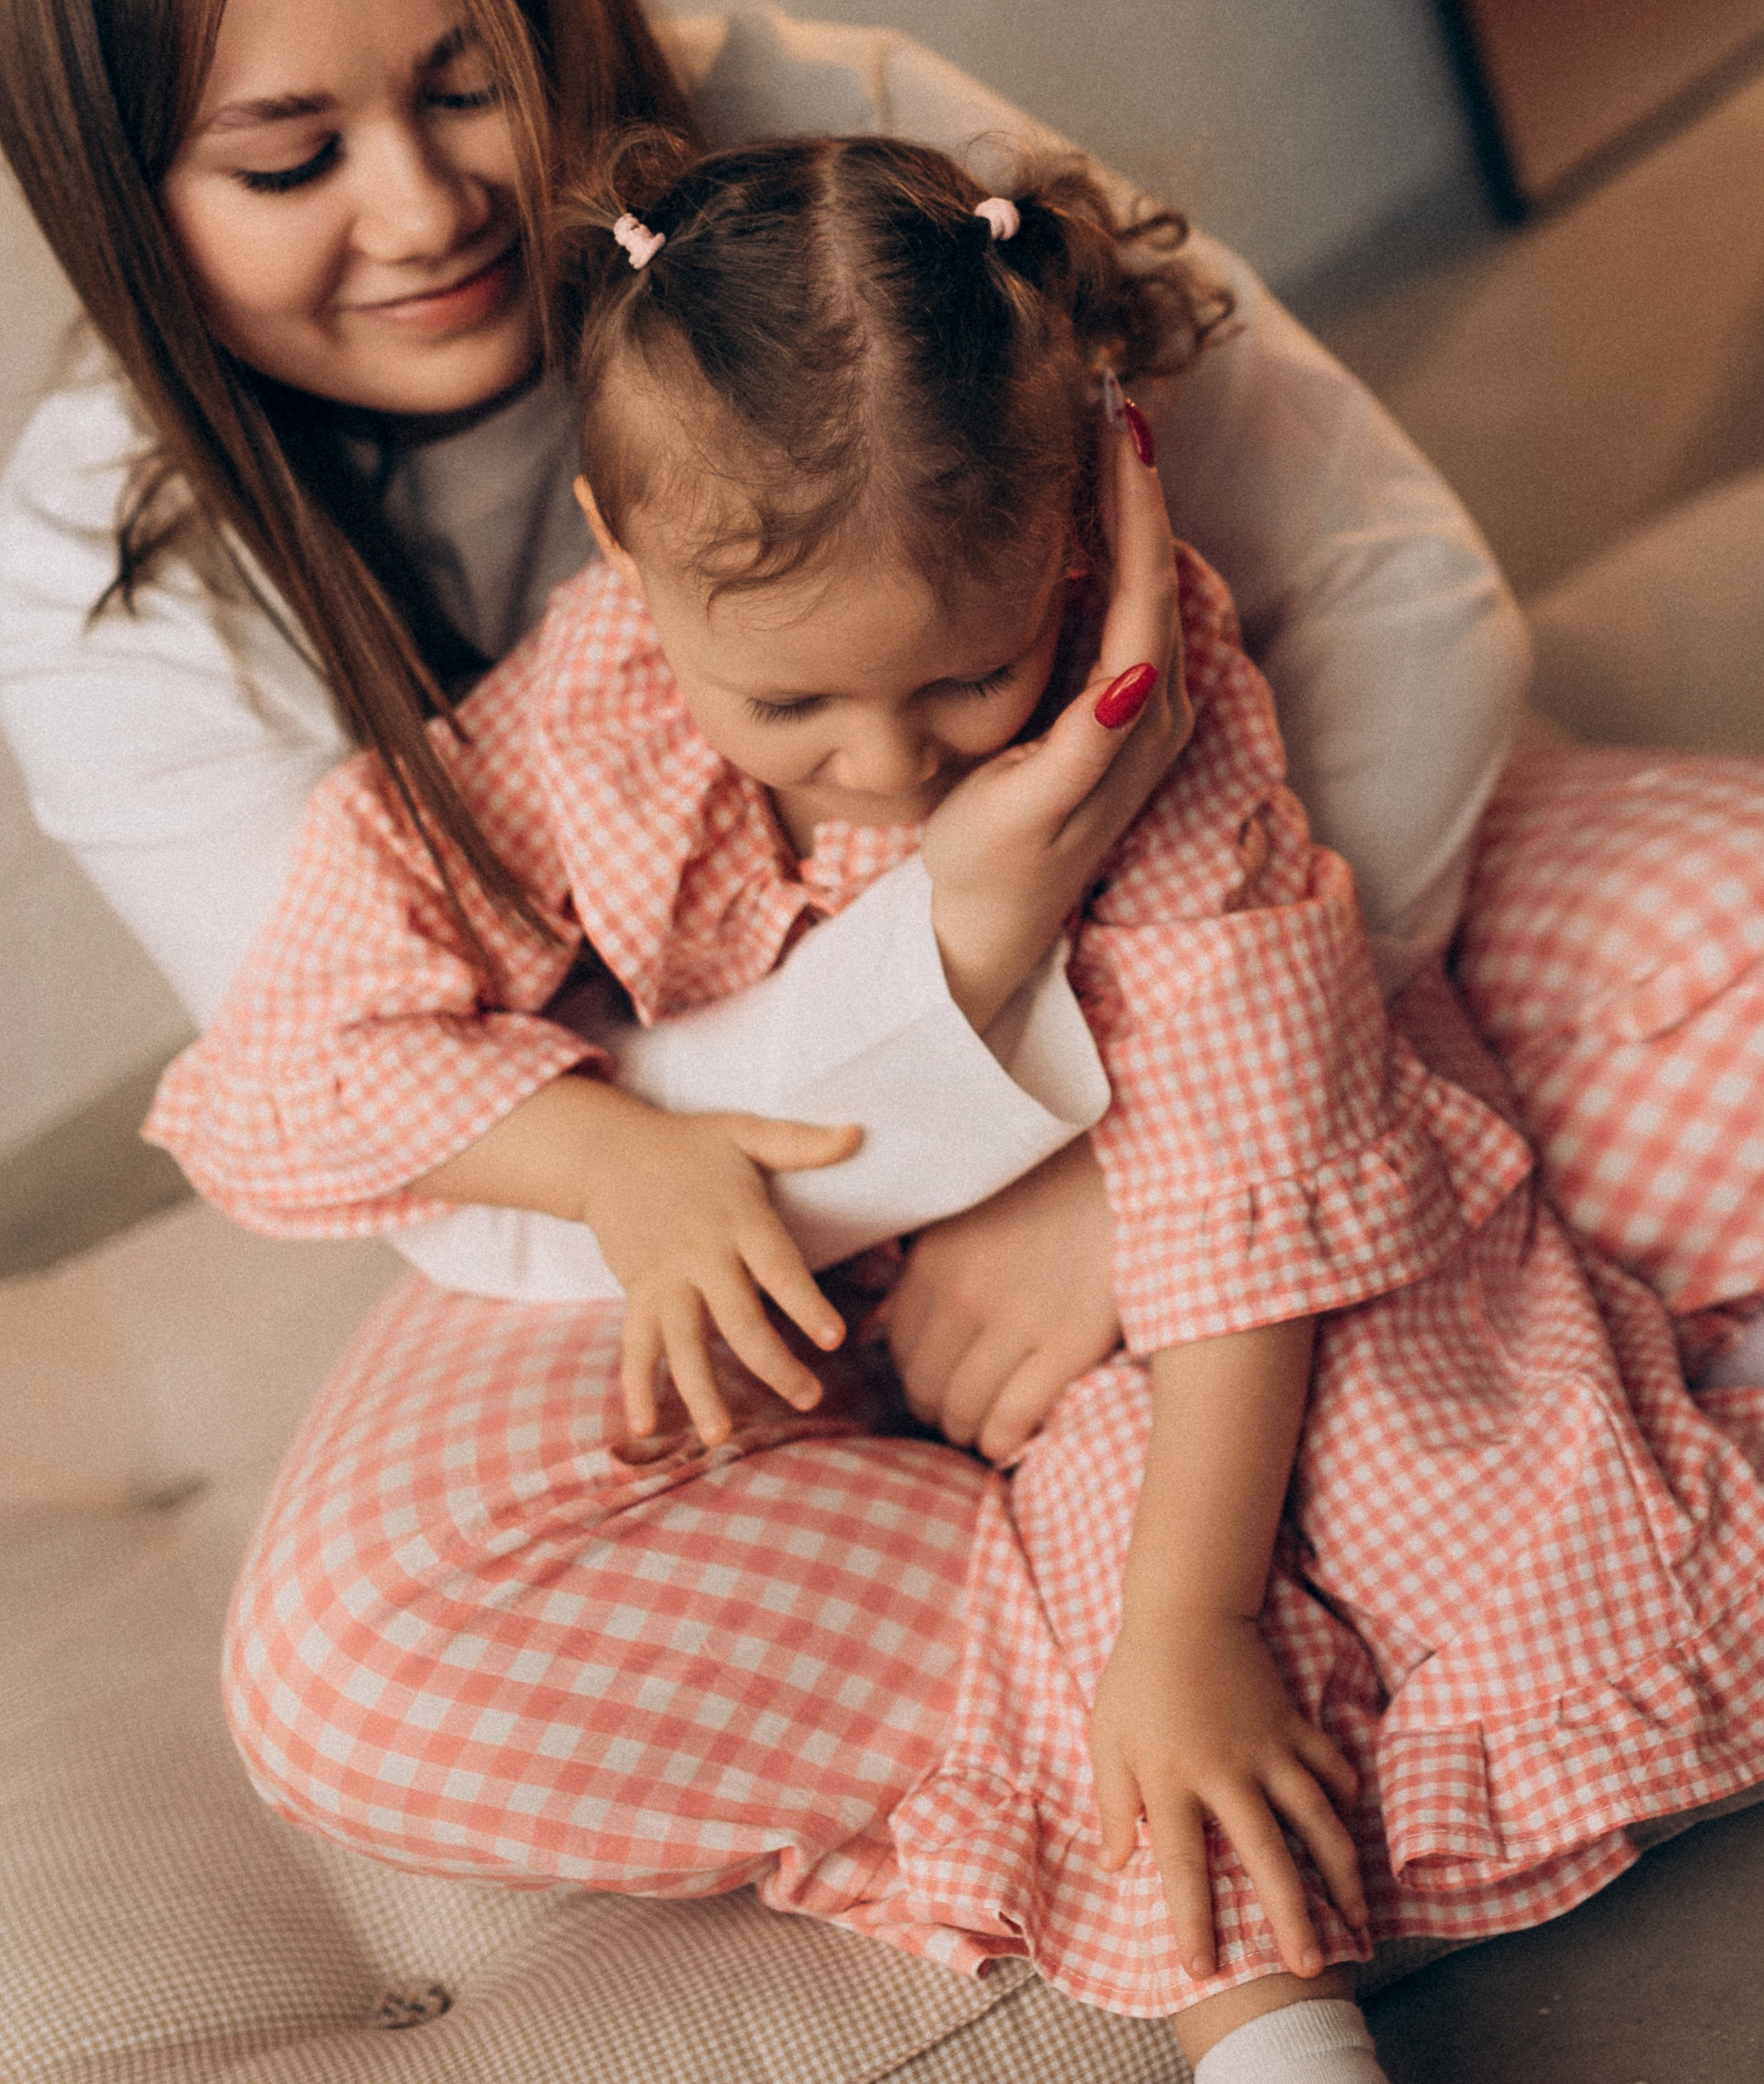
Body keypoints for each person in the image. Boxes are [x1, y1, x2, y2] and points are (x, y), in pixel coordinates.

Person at [148, 134, 1764, 2083]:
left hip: (1210, 1241)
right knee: (1064, 1600)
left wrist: (1191, 1620)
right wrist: (615, 1159)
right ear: (620, 556)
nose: (889, 765)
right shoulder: (587, 704)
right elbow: (312, 1036)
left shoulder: (1147, 691)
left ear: (1083, 533)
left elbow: (1249, 1161)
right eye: (791, 710)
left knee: (1272, 1537)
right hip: (859, 1292)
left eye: (962, 680)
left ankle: (1275, 2022)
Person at [0, 0, 1544, 1475]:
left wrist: (1168, 1165)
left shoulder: (833, 160)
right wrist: (977, 971)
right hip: (700, 1252)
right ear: (113, 193)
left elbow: (1393, 589)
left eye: (472, 83)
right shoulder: (99, 566)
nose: (423, 211)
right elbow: (425, 1138)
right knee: (367, 1613)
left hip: (1241, 996)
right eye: (286, 162)